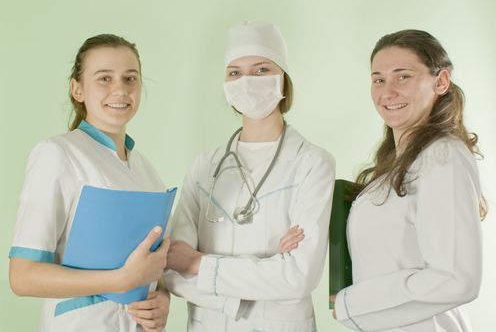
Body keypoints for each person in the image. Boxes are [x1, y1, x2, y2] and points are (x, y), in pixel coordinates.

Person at [164, 21, 335, 331]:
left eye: (261, 69)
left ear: (283, 79)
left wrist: (197, 263)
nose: (247, 81)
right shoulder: (204, 167)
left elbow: (299, 277)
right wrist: (269, 264)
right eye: (235, 72)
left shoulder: (313, 163)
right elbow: (171, 268)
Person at [9, 34, 171, 332]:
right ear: (77, 89)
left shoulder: (147, 171)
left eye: (130, 78)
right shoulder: (57, 154)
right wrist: (120, 280)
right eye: (104, 79)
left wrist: (162, 299)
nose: (120, 89)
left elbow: (151, 267)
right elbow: (22, 276)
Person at [331, 29, 486, 331]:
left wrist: (351, 303)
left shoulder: (443, 157)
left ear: (441, 81)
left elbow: (457, 279)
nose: (388, 92)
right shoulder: (393, 170)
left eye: (403, 76)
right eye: (379, 79)